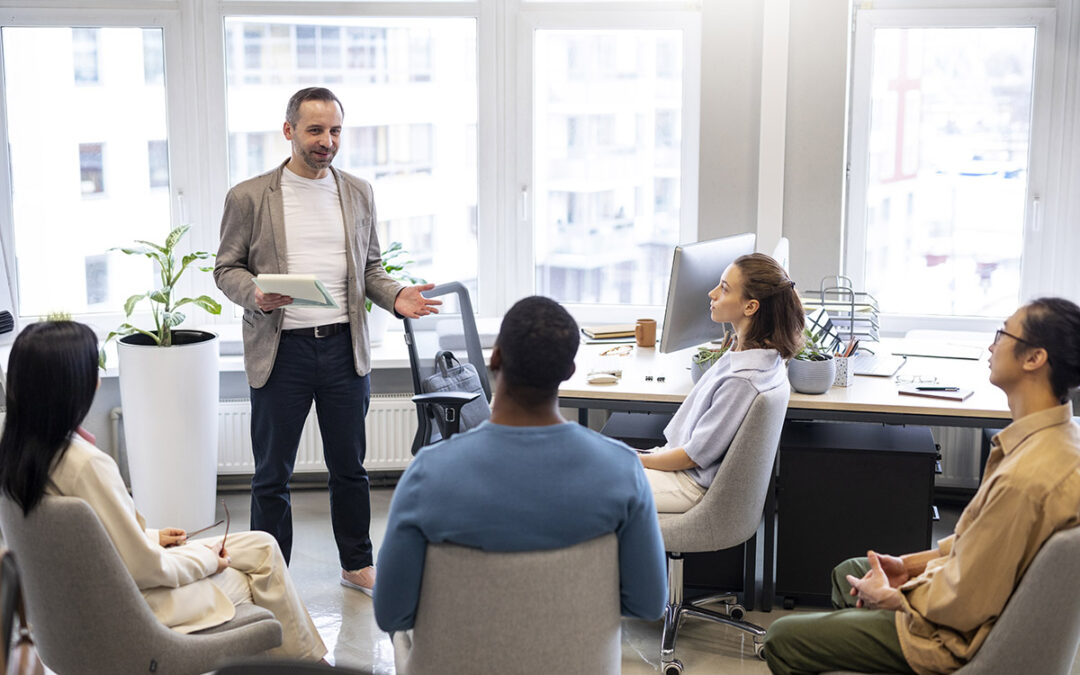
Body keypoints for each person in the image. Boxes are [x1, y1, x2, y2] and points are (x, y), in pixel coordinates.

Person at [763, 297, 1080, 675]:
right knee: (849, 571)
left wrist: (897, 597)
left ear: (1035, 358)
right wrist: (907, 566)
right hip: (967, 604)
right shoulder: (1058, 442)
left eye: (1003, 334)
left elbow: (968, 597)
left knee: (781, 638)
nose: (991, 346)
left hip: (953, 639)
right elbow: (977, 546)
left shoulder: (1025, 480)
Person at [214, 87, 440, 595]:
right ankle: (272, 575)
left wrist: (396, 295)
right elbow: (226, 268)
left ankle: (356, 564)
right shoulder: (249, 196)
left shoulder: (358, 191)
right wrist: (255, 293)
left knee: (350, 468)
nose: (327, 141)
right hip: (282, 352)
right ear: (289, 130)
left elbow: (370, 268)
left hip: (343, 349)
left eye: (335, 130)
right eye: (315, 130)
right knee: (271, 475)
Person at [0, 321, 327, 660]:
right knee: (262, 574)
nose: (97, 379)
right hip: (142, 605)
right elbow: (145, 568)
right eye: (92, 369)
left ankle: (311, 663)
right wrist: (208, 561)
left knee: (263, 544)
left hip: (89, 599)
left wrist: (152, 536)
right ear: (73, 385)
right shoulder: (86, 465)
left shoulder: (20, 455)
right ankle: (312, 665)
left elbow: (90, 538)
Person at [373, 296, 667, 631]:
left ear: (496, 358)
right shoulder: (622, 470)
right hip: (575, 654)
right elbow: (647, 604)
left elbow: (392, 613)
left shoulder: (428, 474)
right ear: (569, 371)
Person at [640, 253, 804, 513]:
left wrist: (638, 460)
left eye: (724, 289)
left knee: (585, 484)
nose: (712, 293)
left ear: (750, 307)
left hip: (687, 484)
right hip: (681, 471)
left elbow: (693, 456)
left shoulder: (743, 380)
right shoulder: (755, 355)